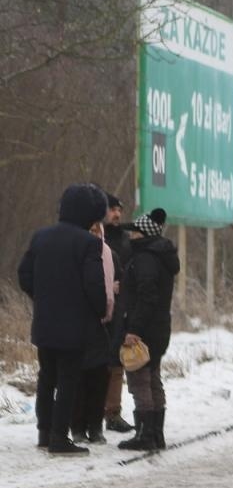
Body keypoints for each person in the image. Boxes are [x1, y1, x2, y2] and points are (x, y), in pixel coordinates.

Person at [17, 183, 109, 456]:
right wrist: (100, 310)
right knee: (68, 380)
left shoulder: (41, 237)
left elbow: (24, 275)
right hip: (74, 325)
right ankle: (60, 437)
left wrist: (42, 298)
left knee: (46, 377)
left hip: (45, 323)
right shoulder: (89, 243)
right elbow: (94, 286)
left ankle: (44, 432)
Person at [119, 209, 179, 452]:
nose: (130, 236)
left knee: (140, 380)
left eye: (133, 232)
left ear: (142, 234)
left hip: (144, 328)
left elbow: (146, 295)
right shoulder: (163, 255)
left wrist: (133, 328)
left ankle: (145, 435)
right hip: (161, 326)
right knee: (153, 378)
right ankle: (156, 434)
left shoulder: (145, 258)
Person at [71, 219, 118, 445]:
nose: (93, 234)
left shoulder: (105, 251)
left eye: (95, 230)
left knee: (98, 377)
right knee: (78, 377)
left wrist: (106, 313)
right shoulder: (75, 249)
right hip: (77, 319)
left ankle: (95, 425)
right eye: (89, 229)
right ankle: (78, 426)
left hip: (99, 321)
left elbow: (108, 286)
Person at [101, 194, 136, 433]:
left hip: (120, 309)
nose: (117, 214)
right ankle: (90, 413)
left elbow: (132, 271)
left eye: (119, 209)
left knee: (116, 361)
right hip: (95, 309)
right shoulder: (92, 237)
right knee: (93, 363)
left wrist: (124, 284)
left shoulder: (125, 240)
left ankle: (113, 412)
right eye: (112, 209)